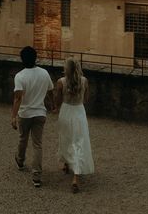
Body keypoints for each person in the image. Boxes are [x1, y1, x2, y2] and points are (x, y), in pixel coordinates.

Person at [11, 45, 54, 188]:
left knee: (23, 138)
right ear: (35, 58)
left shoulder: (20, 76)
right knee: (37, 144)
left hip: (25, 113)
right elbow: (50, 92)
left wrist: (13, 116)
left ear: (22, 59)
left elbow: (18, 98)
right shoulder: (44, 73)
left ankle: (21, 161)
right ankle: (36, 175)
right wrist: (52, 105)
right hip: (40, 113)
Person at [55, 57, 94, 193]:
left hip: (66, 112)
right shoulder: (84, 81)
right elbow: (86, 98)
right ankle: (76, 176)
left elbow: (58, 100)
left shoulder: (61, 82)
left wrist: (55, 108)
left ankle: (66, 163)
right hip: (78, 112)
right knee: (78, 141)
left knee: (66, 138)